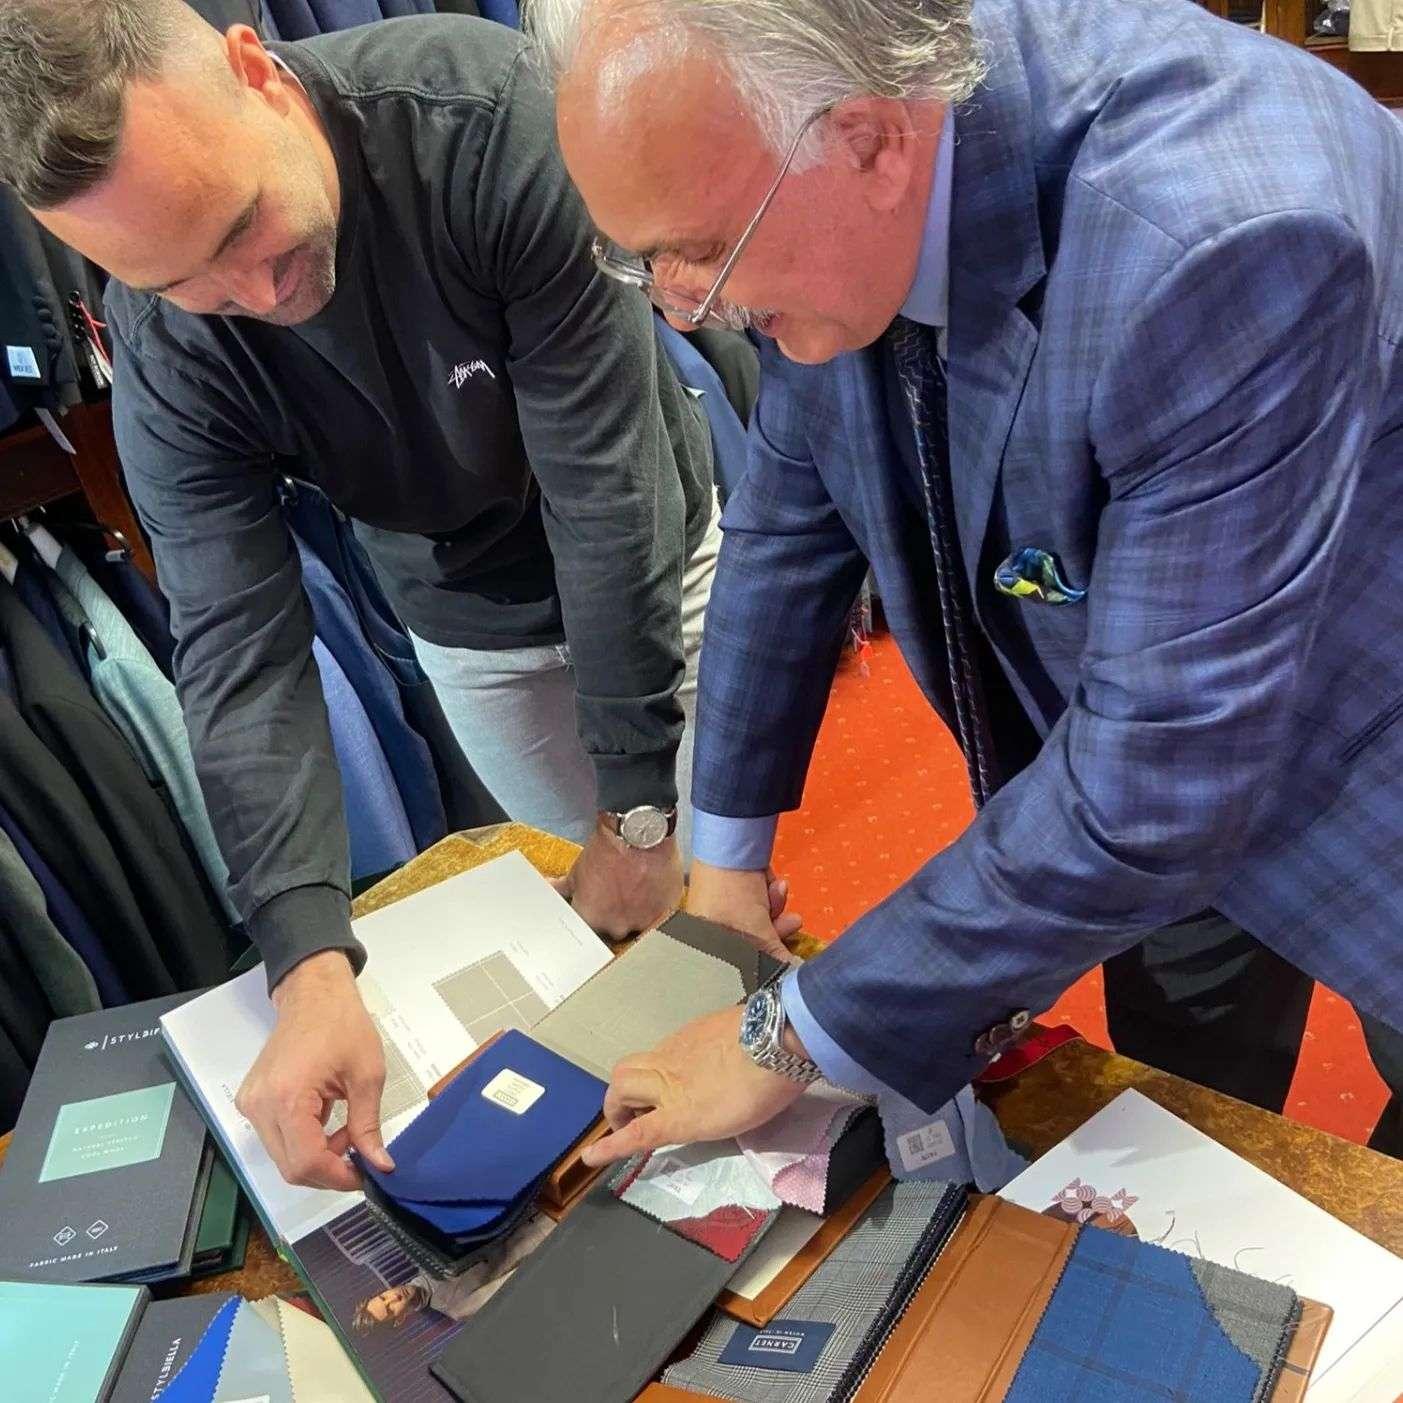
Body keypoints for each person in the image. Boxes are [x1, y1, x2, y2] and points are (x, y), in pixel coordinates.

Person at [525, 0, 1403, 1165]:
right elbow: (788, 512)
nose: (684, 306)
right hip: (1137, 733)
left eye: (699, 251)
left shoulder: (1215, 239)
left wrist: (783, 1037)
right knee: (1190, 1103)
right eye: (640, 258)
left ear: (871, 143)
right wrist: (724, 866)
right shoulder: (815, 168)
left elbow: (1155, 785)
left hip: (1360, 734)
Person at [0, 0, 721, 1189]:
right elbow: (240, 651)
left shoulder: (484, 118)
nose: (259, 289)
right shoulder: (174, 353)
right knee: (597, 935)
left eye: (246, 224)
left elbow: (606, 489)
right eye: (187, 279)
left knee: (698, 889)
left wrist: (635, 803)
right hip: (455, 601)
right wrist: (306, 961)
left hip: (652, 540)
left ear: (257, 74)